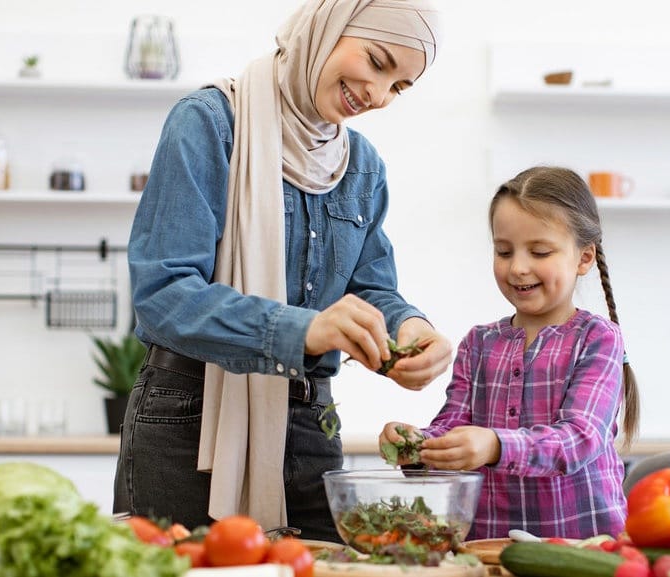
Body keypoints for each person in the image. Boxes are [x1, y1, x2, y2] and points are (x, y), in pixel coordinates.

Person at [114, 0, 452, 543]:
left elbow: (371, 288)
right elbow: (164, 293)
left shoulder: (360, 165)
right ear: (327, 28)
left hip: (309, 423)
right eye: (377, 60)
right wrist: (303, 331)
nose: (378, 94)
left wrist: (408, 327)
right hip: (187, 419)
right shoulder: (209, 122)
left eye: (400, 86)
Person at [380, 166, 640, 540]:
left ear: (584, 258)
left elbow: (578, 438)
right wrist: (417, 446)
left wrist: (495, 445)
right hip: (489, 547)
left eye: (539, 251)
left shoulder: (599, 339)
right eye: (504, 251)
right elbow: (454, 426)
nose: (518, 267)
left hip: (584, 549)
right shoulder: (479, 343)